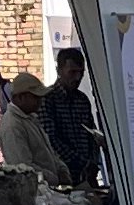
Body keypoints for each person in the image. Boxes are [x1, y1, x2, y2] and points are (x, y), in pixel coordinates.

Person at [37, 48, 106, 191]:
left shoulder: (82, 100)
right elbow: (50, 139)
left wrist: (93, 161)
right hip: (61, 175)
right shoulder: (47, 99)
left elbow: (91, 134)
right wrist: (80, 161)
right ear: (59, 70)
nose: (77, 78)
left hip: (86, 175)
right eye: (72, 72)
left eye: (81, 72)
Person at [0, 72, 67, 191]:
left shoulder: (30, 119)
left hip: (47, 189)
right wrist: (55, 178)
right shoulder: (12, 125)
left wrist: (61, 168)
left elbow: (48, 151)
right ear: (21, 97)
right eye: (35, 97)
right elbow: (23, 168)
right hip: (32, 193)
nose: (40, 101)